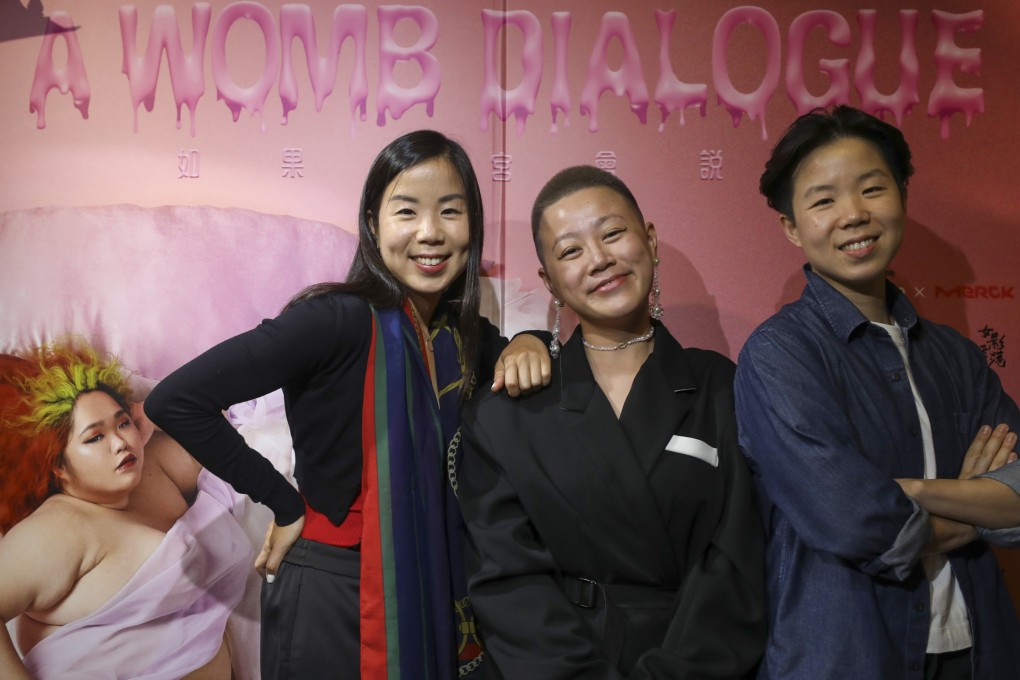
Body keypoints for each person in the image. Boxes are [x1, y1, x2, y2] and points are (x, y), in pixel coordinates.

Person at [145, 129, 551, 679]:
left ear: (471, 227)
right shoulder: (335, 319)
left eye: (450, 212)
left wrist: (535, 341)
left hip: (428, 579)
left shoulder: (459, 338)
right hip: (334, 586)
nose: (430, 233)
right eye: (406, 211)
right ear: (373, 224)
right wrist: (283, 504)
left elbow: (512, 358)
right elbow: (178, 399)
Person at [734, 104, 1020, 679]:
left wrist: (909, 489)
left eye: (872, 188)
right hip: (849, 654)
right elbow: (857, 520)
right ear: (791, 226)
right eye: (823, 200)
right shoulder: (778, 355)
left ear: (902, 196)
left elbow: (1017, 497)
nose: (854, 215)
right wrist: (969, 499)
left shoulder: (957, 357)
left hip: (978, 653)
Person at [457, 165, 767, 679]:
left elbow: (736, 560)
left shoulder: (719, 386)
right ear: (549, 281)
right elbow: (505, 576)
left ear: (649, 240)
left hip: (694, 662)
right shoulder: (507, 412)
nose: (599, 259)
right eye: (570, 251)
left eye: (613, 233)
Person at [0, 341, 252, 680]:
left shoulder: (154, 467)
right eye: (95, 438)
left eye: (121, 424)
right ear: (59, 466)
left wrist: (152, 411)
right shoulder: (58, 527)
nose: (119, 443)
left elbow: (230, 424)